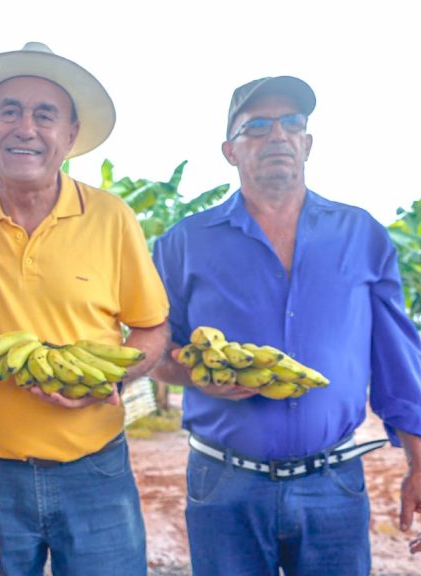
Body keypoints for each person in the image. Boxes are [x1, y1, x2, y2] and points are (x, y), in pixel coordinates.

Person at [151, 76, 421, 575]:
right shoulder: (183, 243)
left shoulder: (361, 234)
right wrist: (196, 375)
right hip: (223, 483)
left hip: (334, 482)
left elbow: (397, 358)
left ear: (307, 143)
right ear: (230, 151)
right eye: (256, 126)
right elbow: (158, 351)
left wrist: (418, 459)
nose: (277, 135)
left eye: (291, 123)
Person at [0, 43, 170, 575]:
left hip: (96, 471)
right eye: (10, 111)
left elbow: (152, 328)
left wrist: (111, 379)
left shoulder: (111, 217)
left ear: (70, 135)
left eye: (45, 115)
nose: (26, 128)